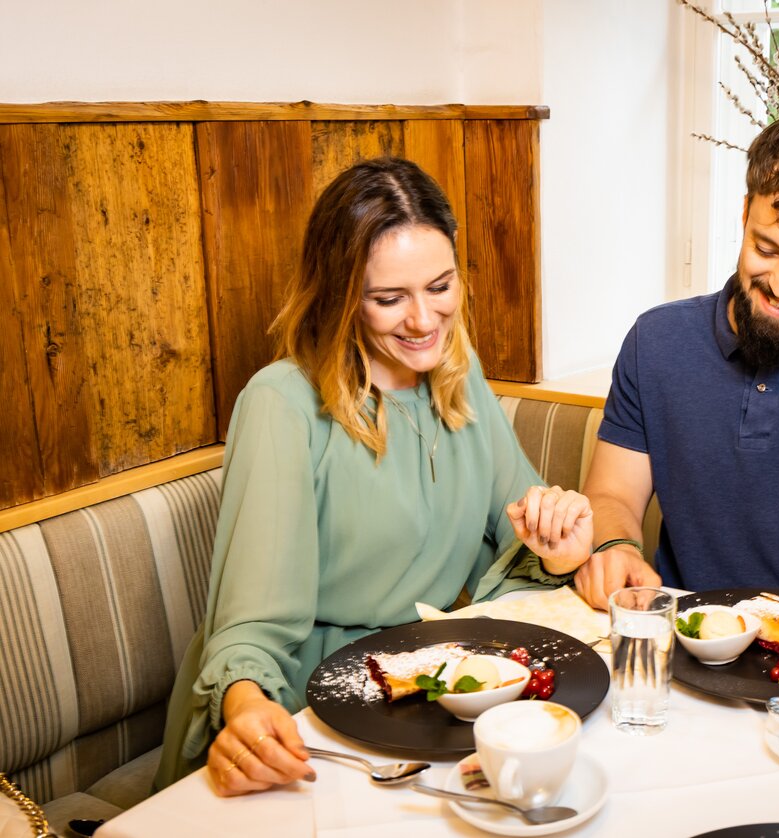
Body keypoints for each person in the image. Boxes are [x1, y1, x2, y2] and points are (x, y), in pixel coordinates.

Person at [153, 157, 594, 795]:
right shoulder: (282, 403)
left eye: (440, 287)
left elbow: (519, 533)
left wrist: (560, 549)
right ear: (340, 297)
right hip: (317, 700)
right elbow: (250, 625)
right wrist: (246, 708)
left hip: (430, 691)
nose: (422, 321)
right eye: (389, 299)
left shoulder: (458, 375)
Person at [574, 112, 779, 610]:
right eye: (765, 248)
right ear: (743, 217)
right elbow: (612, 496)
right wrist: (615, 546)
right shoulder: (657, 341)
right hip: (685, 642)